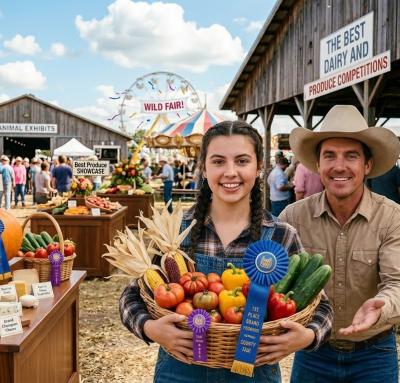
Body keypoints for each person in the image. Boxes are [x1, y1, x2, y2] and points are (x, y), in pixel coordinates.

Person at [119, 120, 332, 383]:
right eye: (218, 161)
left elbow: (321, 306)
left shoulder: (281, 235)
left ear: (258, 169)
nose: (230, 172)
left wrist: (308, 335)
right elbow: (131, 296)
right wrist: (149, 328)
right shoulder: (174, 231)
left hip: (255, 373)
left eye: (242, 161)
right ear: (204, 170)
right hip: (180, 371)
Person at [279, 105, 400, 383]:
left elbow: (398, 281)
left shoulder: (392, 217)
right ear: (318, 165)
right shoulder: (292, 217)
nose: (339, 166)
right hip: (313, 351)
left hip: (375, 354)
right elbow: (275, 283)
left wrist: (381, 306)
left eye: (351, 156)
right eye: (330, 156)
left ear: (367, 165)